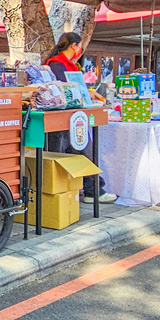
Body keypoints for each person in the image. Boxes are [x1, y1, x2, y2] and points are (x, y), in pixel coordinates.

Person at [44, 32, 117, 203]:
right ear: (73, 46)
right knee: (81, 151)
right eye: (80, 46)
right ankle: (92, 190)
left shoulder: (70, 65)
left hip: (74, 116)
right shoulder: (57, 64)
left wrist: (89, 92)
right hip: (62, 119)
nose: (81, 50)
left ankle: (91, 189)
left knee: (83, 150)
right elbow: (66, 89)